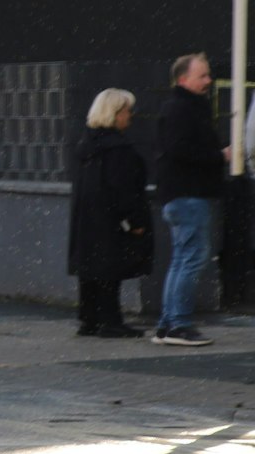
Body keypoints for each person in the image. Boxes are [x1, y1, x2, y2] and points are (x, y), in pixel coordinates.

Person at [67, 89, 152, 338]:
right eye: (127, 111)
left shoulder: (87, 146)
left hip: (88, 219)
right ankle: (110, 320)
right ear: (115, 114)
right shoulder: (119, 149)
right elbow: (124, 189)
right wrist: (135, 220)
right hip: (111, 220)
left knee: (91, 270)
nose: (130, 116)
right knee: (110, 270)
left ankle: (90, 318)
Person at [154, 53, 226, 347]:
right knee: (192, 258)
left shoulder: (177, 108)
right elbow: (180, 150)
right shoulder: (183, 110)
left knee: (182, 259)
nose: (208, 80)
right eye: (202, 76)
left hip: (179, 194)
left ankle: (168, 323)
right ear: (183, 79)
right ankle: (179, 324)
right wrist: (219, 156)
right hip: (189, 195)